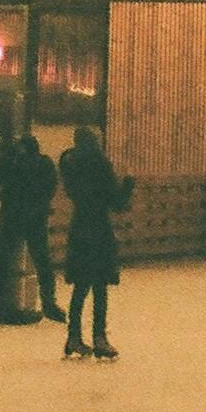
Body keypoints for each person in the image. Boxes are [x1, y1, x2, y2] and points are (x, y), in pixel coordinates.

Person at [56, 125, 133, 360]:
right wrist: (128, 183)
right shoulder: (99, 164)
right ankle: (99, 338)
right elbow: (115, 201)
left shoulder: (70, 166)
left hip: (79, 228)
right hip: (99, 229)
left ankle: (73, 336)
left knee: (80, 287)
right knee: (100, 287)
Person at [0, 131, 63, 325]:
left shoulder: (11, 162)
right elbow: (50, 187)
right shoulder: (43, 163)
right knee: (42, 261)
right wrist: (41, 206)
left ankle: (0, 302)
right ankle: (49, 302)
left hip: (12, 217)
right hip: (35, 218)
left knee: (3, 260)